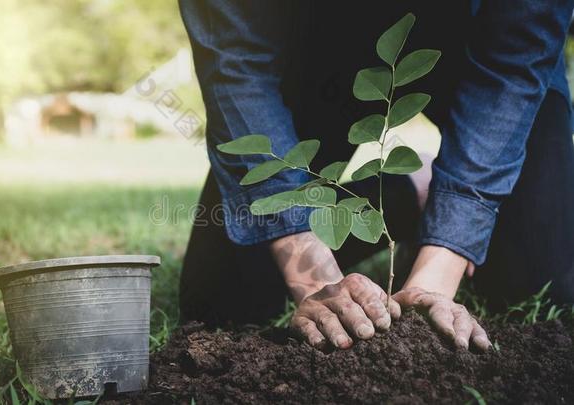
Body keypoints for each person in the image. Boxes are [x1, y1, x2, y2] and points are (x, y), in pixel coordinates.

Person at [177, 0, 574, 351]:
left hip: (487, 45)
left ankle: (439, 213)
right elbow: (234, 63)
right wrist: (315, 281)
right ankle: (415, 188)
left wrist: (437, 273)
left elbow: (515, 62)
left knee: (536, 279)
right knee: (223, 297)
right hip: (312, 46)